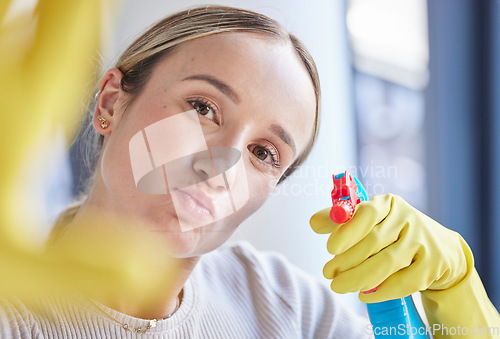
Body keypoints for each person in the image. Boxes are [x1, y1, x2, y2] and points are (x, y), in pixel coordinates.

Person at [1, 5, 498, 339]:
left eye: (264, 153)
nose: (223, 165)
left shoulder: (287, 309)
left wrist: (456, 299)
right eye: (203, 107)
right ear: (111, 101)